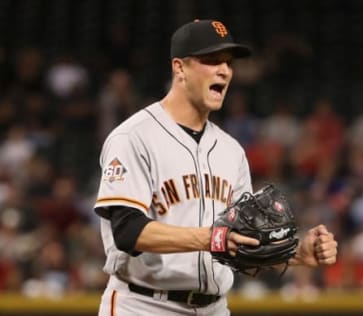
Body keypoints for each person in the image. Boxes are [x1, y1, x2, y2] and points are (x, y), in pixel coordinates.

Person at [93, 19, 338, 316]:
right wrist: (212, 238)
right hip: (144, 305)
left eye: (228, 62)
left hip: (214, 308)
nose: (224, 70)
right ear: (179, 68)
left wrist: (295, 253)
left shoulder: (231, 151)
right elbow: (127, 230)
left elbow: (242, 244)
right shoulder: (134, 137)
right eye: (211, 60)